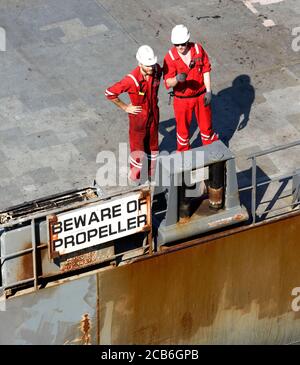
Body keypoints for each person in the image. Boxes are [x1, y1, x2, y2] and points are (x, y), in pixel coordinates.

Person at [105, 45, 162, 185]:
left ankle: (151, 173)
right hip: (139, 118)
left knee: (153, 145)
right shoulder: (131, 80)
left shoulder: (156, 70)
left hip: (153, 114)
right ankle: (135, 178)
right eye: (148, 66)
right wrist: (125, 107)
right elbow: (110, 93)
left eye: (152, 64)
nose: (151, 68)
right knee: (138, 148)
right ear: (140, 63)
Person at [163, 24, 218, 152]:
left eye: (182, 43)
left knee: (206, 127)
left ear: (188, 40)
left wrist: (208, 91)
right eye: (177, 44)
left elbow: (205, 70)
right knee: (182, 131)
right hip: (182, 100)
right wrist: (176, 79)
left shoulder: (198, 50)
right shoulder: (170, 58)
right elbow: (168, 82)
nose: (180, 47)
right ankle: (184, 156)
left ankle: (212, 153)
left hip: (200, 96)